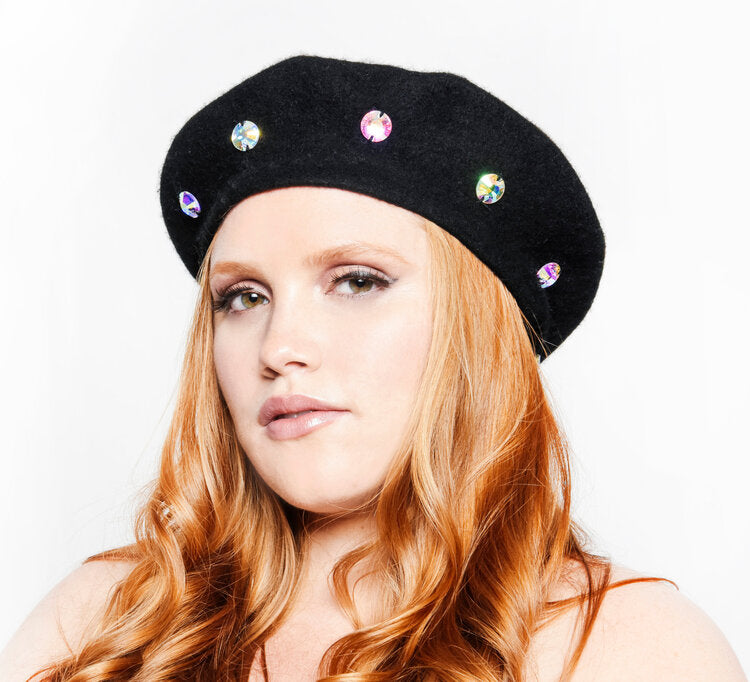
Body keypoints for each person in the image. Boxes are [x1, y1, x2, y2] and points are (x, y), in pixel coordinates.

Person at [0, 55, 745, 682]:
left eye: (357, 281)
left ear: (475, 336)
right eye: (244, 297)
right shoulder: (107, 624)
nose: (278, 347)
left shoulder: (629, 646)